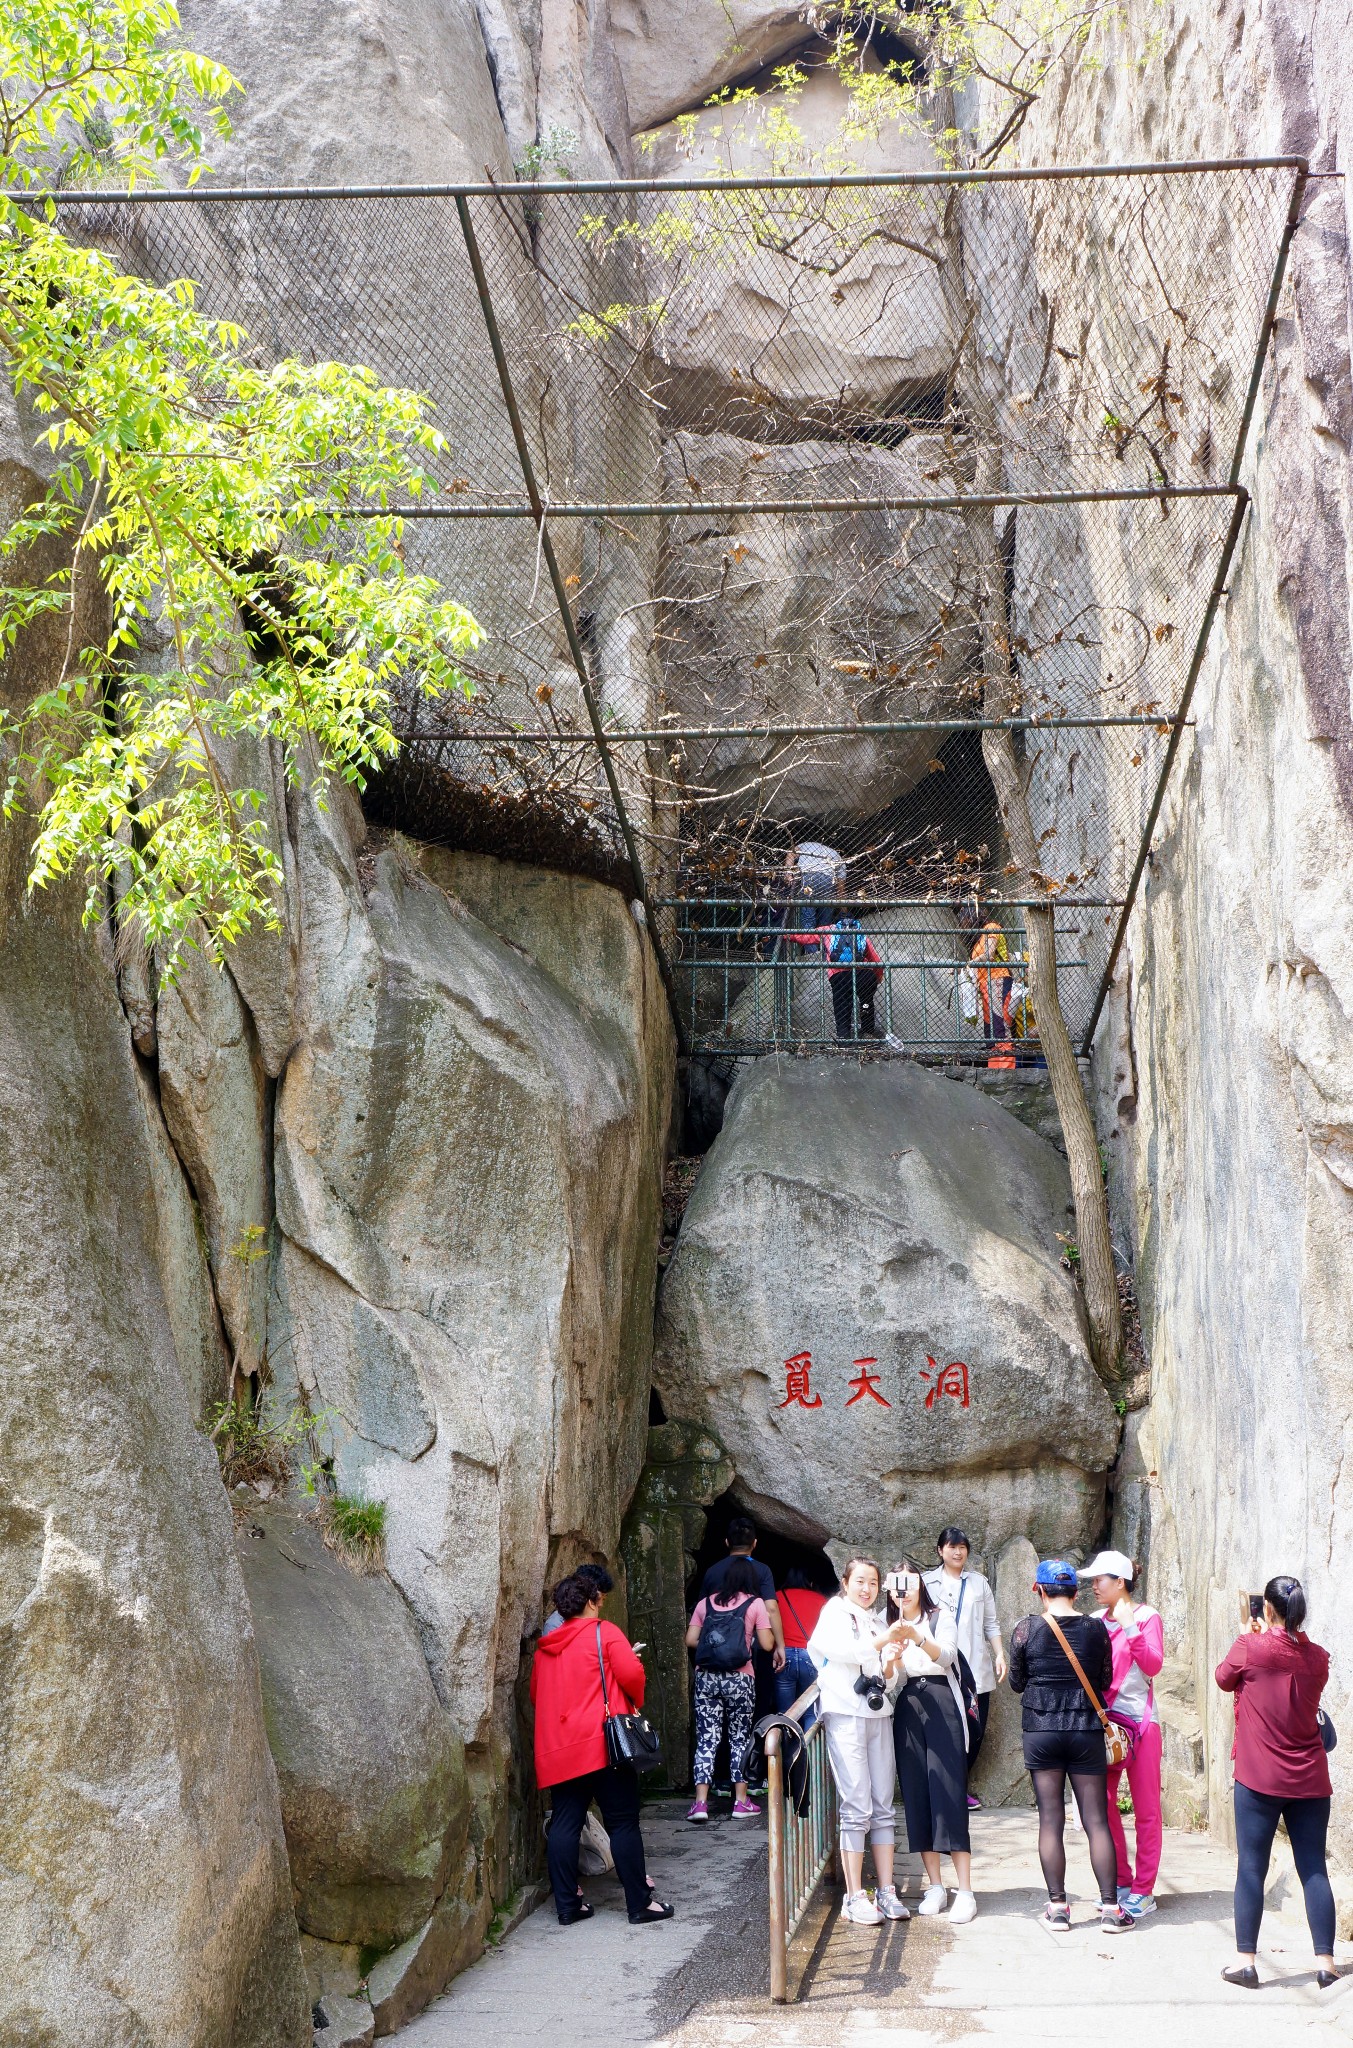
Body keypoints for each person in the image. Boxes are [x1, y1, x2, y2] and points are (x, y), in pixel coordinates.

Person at [1215, 1575, 1337, 1990]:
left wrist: (1250, 1637)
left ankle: (1246, 1963)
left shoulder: (1250, 1648)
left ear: (1266, 1609)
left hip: (1258, 1778)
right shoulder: (1319, 1657)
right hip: (1311, 1780)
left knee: (1251, 1868)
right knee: (1314, 1870)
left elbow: (1222, 1677)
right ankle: (1326, 1965)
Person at [531, 1575, 674, 1927]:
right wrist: (633, 1702)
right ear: (592, 1600)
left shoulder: (545, 1647)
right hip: (602, 1746)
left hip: (561, 1749)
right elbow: (632, 1674)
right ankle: (639, 1904)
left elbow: (537, 1696)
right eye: (600, 1598)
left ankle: (568, 1906)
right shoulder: (604, 1632)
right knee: (623, 1822)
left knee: (565, 1822)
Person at [1008, 1559, 1135, 1932]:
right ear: (1076, 1592)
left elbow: (1017, 1683)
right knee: (1097, 1820)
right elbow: (1105, 1678)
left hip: (1041, 1731)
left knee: (1051, 1819)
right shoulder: (1096, 1629)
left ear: (1039, 1590)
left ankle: (1058, 1908)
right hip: (1084, 1730)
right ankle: (1111, 1909)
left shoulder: (1026, 1629)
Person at [808, 1556, 909, 1926]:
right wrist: (884, 1640)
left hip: (878, 1715)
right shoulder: (834, 1611)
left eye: (872, 1583)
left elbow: (887, 1679)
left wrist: (891, 1661)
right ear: (846, 1582)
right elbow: (840, 1652)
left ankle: (886, 1890)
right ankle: (854, 1896)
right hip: (845, 1715)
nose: (866, 1589)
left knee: (883, 1804)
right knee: (856, 1805)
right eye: (860, 1581)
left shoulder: (879, 1620)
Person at [882, 1561, 977, 1922]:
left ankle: (965, 1889)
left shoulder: (939, 1617)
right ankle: (936, 1886)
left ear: (920, 1584)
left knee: (949, 1792)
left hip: (942, 1701)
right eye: (894, 1586)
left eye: (907, 1583)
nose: (901, 1592)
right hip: (908, 1705)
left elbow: (948, 1656)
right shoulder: (886, 1624)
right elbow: (890, 1682)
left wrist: (917, 1636)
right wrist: (890, 1660)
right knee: (917, 1793)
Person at [1080, 1549, 1164, 1919]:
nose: (1094, 1586)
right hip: (1106, 1726)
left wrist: (1130, 1626)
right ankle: (1121, 1881)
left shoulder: (1147, 1617)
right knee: (1103, 1806)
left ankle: (1144, 1890)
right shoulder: (1095, 1620)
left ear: (1120, 1582)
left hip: (1142, 1725)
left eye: (1100, 1580)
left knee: (1146, 1810)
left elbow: (1153, 1665)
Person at [685, 1557, 776, 1823]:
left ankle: (700, 1804)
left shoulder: (705, 1603)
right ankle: (741, 1802)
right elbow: (767, 1644)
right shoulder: (755, 1603)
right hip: (740, 1678)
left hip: (707, 1678)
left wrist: (716, 1644)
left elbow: (690, 1640)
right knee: (739, 1738)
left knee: (706, 1739)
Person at [924, 1527, 1006, 1808]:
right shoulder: (926, 1583)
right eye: (951, 1547)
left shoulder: (978, 1583)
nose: (958, 1552)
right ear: (940, 1550)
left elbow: (991, 1623)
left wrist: (999, 1654)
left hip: (976, 1670)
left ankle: (957, 1786)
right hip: (941, 1670)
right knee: (945, 1732)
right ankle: (950, 1791)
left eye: (962, 1547)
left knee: (976, 1730)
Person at [698, 1517, 786, 1676]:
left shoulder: (712, 1571)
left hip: (715, 1646)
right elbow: (771, 1608)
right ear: (754, 1543)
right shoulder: (763, 1570)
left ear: (726, 1542)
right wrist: (780, 1646)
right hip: (753, 1647)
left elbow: (702, 1610)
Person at [782, 916, 884, 1041]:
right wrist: (878, 977)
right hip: (863, 975)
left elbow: (806, 937)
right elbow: (876, 960)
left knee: (841, 1005)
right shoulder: (860, 933)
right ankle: (868, 1030)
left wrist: (786, 935)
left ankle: (843, 1037)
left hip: (839, 976)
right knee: (867, 1000)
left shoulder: (829, 930)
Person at [774, 1567, 829, 1718]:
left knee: (785, 1712)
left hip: (784, 1656)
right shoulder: (820, 1599)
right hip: (810, 1655)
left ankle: (785, 1741)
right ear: (810, 1582)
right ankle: (806, 1742)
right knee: (811, 1712)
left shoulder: (777, 1597)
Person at [541, 1560, 614, 1636]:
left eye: (604, 1599)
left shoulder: (597, 1626)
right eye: (599, 1598)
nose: (601, 1604)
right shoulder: (555, 1625)